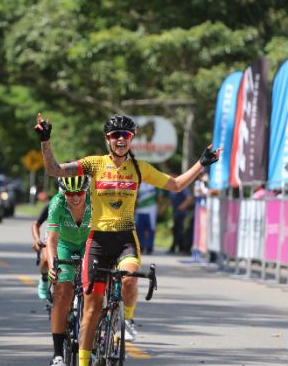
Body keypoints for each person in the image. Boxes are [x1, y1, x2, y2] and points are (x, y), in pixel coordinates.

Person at [34, 113, 222, 366]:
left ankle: (129, 319)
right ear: (108, 139)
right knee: (91, 309)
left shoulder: (139, 168)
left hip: (125, 239)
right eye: (115, 135)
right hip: (98, 241)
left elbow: (176, 185)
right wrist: (45, 140)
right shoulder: (94, 164)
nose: (120, 139)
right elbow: (54, 170)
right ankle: (82, 361)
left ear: (131, 139)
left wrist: (201, 164)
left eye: (126, 135)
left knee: (131, 280)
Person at [45, 175, 91, 366]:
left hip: (89, 243)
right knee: (63, 292)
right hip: (64, 244)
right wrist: (51, 265)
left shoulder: (95, 200)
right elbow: (52, 240)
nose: (75, 197)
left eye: (79, 192)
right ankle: (57, 355)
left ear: (86, 190)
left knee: (95, 290)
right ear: (63, 192)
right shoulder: (57, 203)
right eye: (70, 193)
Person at [166, 176, 194, 255]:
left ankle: (180, 248)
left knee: (180, 231)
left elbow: (189, 198)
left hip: (182, 213)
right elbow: (171, 200)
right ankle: (175, 248)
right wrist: (164, 208)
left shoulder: (181, 186)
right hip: (175, 213)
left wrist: (183, 205)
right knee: (176, 230)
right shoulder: (170, 188)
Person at [135, 181, 164, 254]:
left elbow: (159, 196)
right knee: (139, 229)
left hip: (151, 209)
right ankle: (140, 246)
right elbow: (135, 196)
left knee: (151, 228)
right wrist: (134, 208)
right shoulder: (139, 182)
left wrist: (160, 208)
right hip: (140, 209)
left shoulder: (155, 183)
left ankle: (149, 247)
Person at [32, 202, 50, 300]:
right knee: (46, 260)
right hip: (54, 235)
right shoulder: (54, 203)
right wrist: (37, 240)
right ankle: (44, 277)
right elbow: (36, 224)